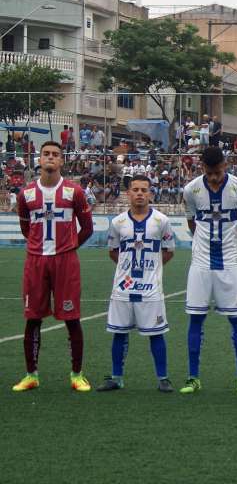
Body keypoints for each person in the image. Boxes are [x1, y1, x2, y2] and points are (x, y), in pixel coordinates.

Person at [12, 141, 94, 392]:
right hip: (36, 261)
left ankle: (77, 375)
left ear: (62, 161)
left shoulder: (74, 191)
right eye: (46, 154)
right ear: (39, 159)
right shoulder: (26, 194)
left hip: (65, 262)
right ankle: (31, 375)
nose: (50, 158)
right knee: (33, 318)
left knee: (72, 318)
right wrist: (41, 248)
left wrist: (68, 248)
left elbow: (87, 228)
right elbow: (26, 229)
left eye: (55, 155)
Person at [180, 146, 237, 394]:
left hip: (230, 263)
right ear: (202, 168)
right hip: (200, 264)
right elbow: (193, 222)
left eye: (218, 172)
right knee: (196, 318)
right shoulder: (191, 190)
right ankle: (193, 377)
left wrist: (230, 242)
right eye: (209, 172)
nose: (214, 177)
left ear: (226, 165)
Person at [96, 175, 175, 393]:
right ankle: (116, 377)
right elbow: (113, 251)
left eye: (144, 190)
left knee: (156, 333)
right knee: (119, 332)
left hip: (151, 288)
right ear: (128, 193)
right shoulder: (118, 222)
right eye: (135, 189)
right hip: (123, 287)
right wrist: (127, 271)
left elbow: (169, 251)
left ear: (150, 193)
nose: (140, 193)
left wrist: (153, 271)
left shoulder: (161, 221)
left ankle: (163, 378)